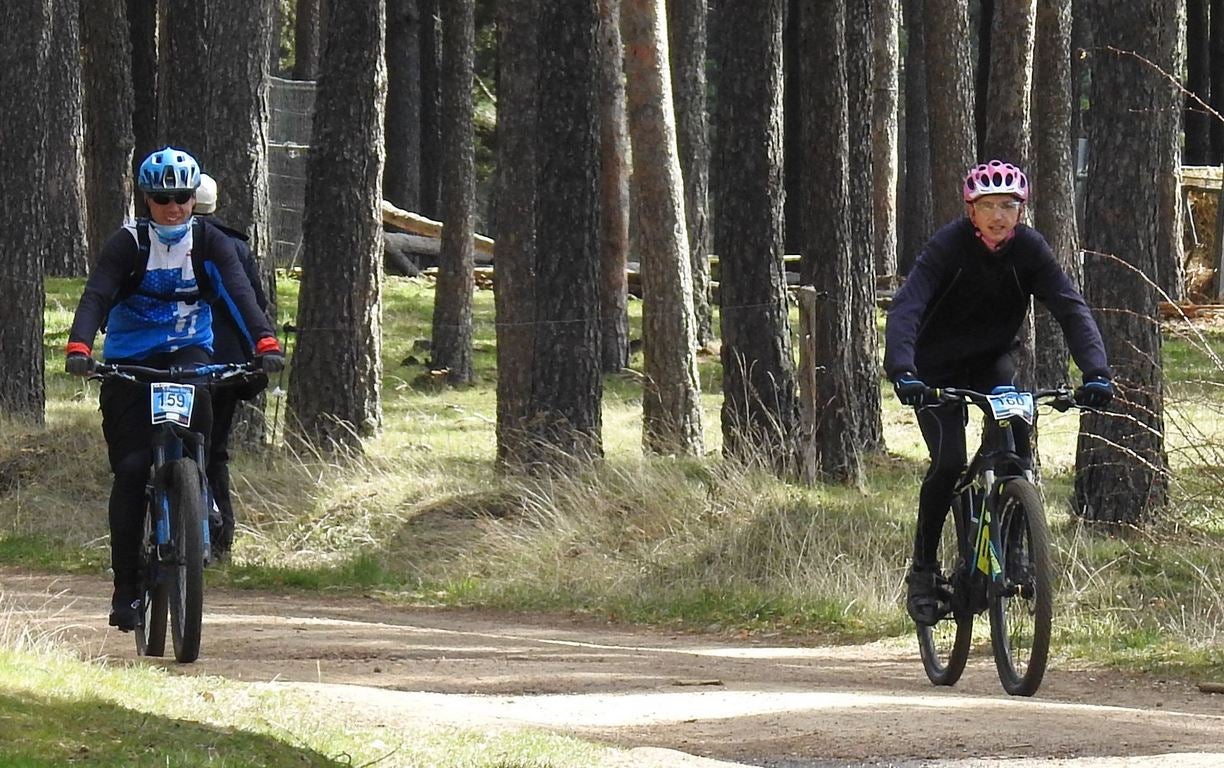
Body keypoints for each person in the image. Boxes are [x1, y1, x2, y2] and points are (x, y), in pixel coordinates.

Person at [883, 159, 1115, 627]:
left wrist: (1095, 372)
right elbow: (907, 306)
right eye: (988, 205)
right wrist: (903, 371)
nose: (998, 216)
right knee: (948, 463)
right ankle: (924, 571)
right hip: (934, 369)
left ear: (1020, 211)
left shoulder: (1029, 250)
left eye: (1008, 206)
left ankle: (1015, 548)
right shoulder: (947, 247)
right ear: (971, 211)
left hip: (991, 362)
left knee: (1016, 439)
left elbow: (1070, 307)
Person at [65, 147, 284, 631]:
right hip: (130, 361)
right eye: (163, 198)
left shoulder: (210, 242)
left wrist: (263, 340)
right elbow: (98, 293)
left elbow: (238, 293)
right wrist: (80, 345)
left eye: (182, 197)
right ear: (146, 198)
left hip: (189, 354)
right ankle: (126, 586)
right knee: (130, 468)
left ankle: (194, 496)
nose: (174, 207)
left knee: (197, 434)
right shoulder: (128, 243)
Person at [193, 173, 271, 562]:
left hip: (176, 363)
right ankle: (221, 537)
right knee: (215, 449)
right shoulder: (235, 246)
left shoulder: (166, 242)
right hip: (225, 368)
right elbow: (255, 302)